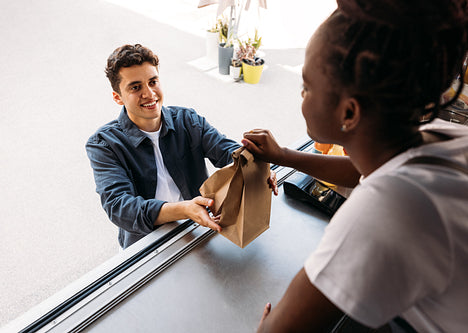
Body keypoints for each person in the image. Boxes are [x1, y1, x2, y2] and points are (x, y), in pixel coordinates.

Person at [242, 0, 468, 332]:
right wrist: (284, 156)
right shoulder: (443, 136)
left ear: (349, 113)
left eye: (307, 87)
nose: (301, 95)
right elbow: (369, 170)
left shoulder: (384, 209)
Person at [85, 44, 245, 249]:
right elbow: (120, 208)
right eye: (135, 87)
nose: (149, 93)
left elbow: (226, 150)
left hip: (197, 231)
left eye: (153, 82)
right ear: (118, 97)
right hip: (146, 246)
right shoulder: (104, 144)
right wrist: (183, 210)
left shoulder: (187, 120)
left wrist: (253, 163)